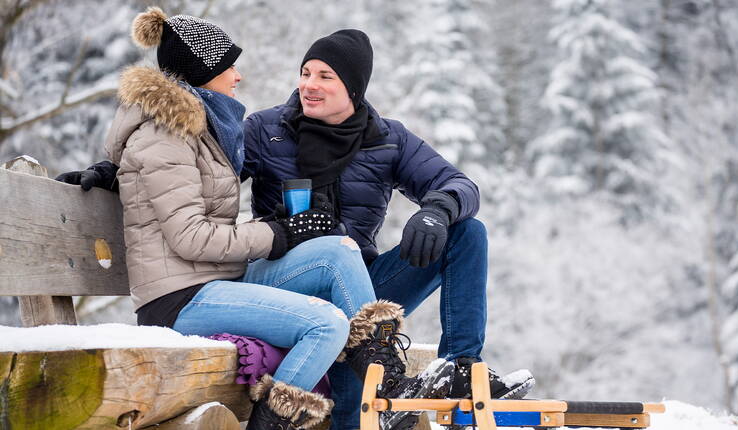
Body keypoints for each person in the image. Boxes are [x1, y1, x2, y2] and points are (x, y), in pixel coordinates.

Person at [62, 8, 454, 430]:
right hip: (180, 298)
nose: (238, 75)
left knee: (339, 250)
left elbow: (164, 186)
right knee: (326, 323)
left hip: (214, 282)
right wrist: (277, 233)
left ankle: (386, 380)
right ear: (203, 71)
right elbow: (190, 237)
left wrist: (114, 174)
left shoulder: (200, 131)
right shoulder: (165, 135)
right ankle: (279, 421)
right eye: (228, 65)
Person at [241, 29, 535, 430]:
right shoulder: (265, 129)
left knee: (468, 233)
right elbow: (203, 171)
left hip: (362, 290)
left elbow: (459, 185)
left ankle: (461, 366)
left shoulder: (386, 139)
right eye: (305, 72)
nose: (309, 85)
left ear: (354, 88)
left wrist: (436, 211)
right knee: (355, 395)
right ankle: (380, 386)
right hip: (290, 287)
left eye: (325, 76)